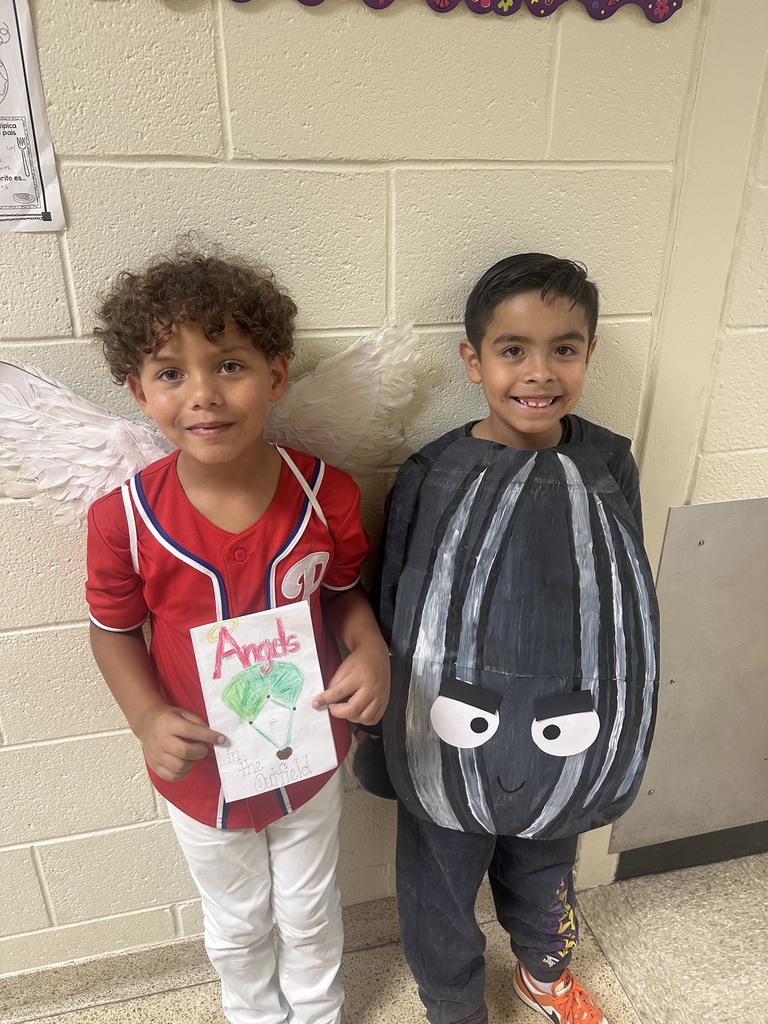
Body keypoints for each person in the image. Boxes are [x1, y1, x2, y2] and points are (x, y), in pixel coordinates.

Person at [85, 245, 390, 1024]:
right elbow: (114, 632)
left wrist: (371, 648)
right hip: (202, 768)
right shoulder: (122, 519)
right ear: (138, 392)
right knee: (238, 921)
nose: (204, 395)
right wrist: (147, 718)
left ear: (276, 375)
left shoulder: (328, 494)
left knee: (311, 908)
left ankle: (317, 1013)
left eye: (229, 365)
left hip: (306, 752)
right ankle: (254, 1014)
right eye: (170, 372)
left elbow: (345, 594)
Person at [371, 254, 659, 1024]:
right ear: (473, 359)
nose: (540, 372)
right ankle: (453, 1004)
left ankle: (543, 973)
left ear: (590, 353)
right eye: (512, 350)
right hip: (447, 728)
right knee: (438, 876)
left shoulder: (608, 461)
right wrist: (380, 737)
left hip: (564, 717)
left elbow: (625, 601)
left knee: (547, 860)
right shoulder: (433, 471)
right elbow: (394, 600)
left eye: (564, 348)